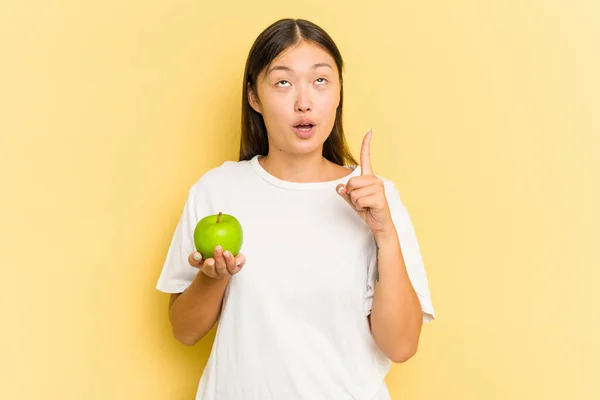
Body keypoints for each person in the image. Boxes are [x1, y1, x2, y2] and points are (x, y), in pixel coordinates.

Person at [156, 18, 435, 400]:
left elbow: (401, 346)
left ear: (338, 93)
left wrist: (384, 232)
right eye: (283, 82)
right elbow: (184, 331)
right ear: (254, 96)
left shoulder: (375, 198)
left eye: (320, 80)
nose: (304, 101)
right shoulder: (217, 190)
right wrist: (215, 276)